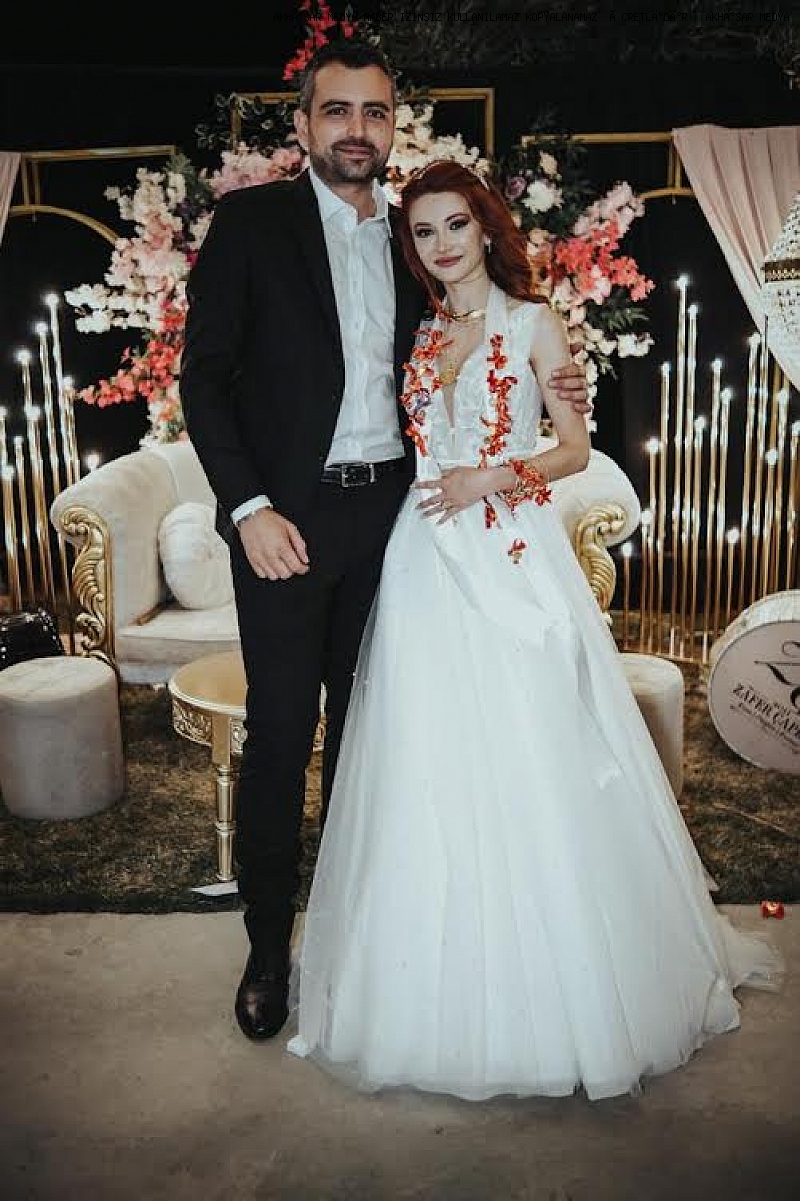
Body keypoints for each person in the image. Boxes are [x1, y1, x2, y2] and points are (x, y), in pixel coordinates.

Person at [286, 159, 784, 1102]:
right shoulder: (421, 330)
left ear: (485, 227)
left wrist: (489, 477)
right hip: (422, 560)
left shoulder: (533, 323)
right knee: (426, 755)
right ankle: (426, 983)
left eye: (455, 225)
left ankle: (568, 988)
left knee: (533, 744)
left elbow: (577, 448)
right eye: (423, 231)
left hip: (508, 550)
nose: (441, 244)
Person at [179, 40, 592, 1043]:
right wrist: (248, 509)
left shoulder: (416, 235)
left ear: (390, 124)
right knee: (283, 735)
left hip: (404, 526)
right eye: (337, 110)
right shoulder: (252, 225)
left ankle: (364, 939)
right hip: (286, 524)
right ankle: (267, 948)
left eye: (373, 111)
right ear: (304, 124)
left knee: (383, 738)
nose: (356, 129)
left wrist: (556, 379)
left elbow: (479, 339)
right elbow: (204, 380)